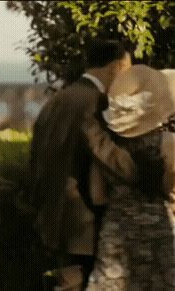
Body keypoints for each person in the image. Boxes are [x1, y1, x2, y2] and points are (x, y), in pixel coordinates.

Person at [29, 40, 138, 289]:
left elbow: (36, 158)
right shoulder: (94, 101)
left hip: (50, 215)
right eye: (127, 70)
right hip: (81, 224)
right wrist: (147, 173)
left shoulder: (57, 100)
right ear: (116, 67)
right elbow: (107, 154)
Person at [86, 65, 175, 289]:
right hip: (161, 238)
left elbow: (98, 196)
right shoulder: (169, 144)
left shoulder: (106, 150)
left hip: (116, 238)